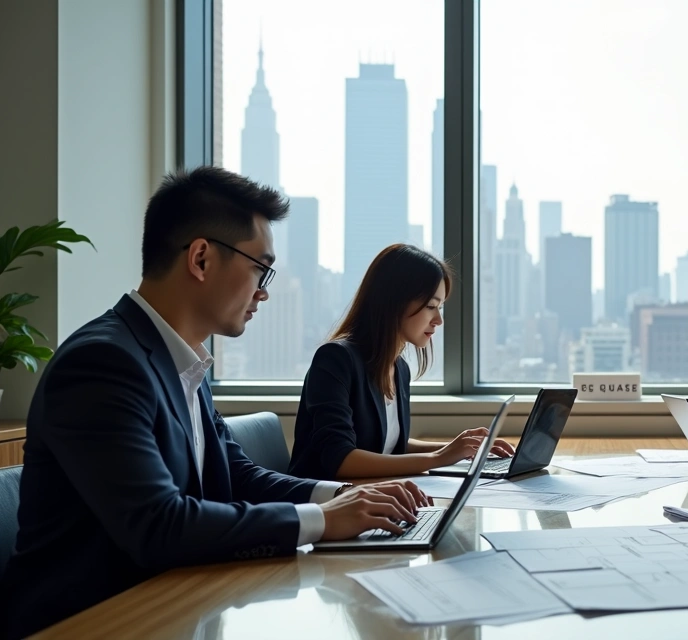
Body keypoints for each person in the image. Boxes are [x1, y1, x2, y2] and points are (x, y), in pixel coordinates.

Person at [0, 167, 431, 639]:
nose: (264, 290)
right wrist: (321, 520)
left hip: (173, 603)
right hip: (94, 621)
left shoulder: (182, 362)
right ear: (201, 258)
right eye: (259, 268)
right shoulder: (103, 363)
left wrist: (341, 497)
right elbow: (159, 524)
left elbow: (237, 473)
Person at [288, 244, 515, 480]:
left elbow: (388, 445)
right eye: (430, 306)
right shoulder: (336, 360)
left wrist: (464, 447)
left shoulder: (399, 369)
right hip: (326, 505)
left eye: (440, 308)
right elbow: (340, 460)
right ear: (393, 302)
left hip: (373, 495)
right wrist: (439, 458)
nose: (439, 320)